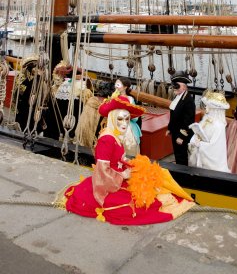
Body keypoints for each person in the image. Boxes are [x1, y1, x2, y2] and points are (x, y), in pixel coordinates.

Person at [59, 95, 194, 225]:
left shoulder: (115, 135)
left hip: (118, 175)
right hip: (109, 183)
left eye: (127, 119)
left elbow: (117, 158)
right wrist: (123, 174)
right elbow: (102, 170)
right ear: (112, 118)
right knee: (141, 205)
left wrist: (130, 165)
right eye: (120, 119)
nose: (124, 124)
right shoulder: (107, 139)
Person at [188, 90, 230, 172]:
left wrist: (200, 144)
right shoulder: (206, 120)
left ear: (214, 109)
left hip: (213, 167)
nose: (205, 107)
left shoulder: (219, 126)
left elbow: (214, 148)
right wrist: (194, 139)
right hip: (202, 162)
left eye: (208, 106)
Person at [166, 71, 196, 165]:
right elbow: (174, 116)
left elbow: (189, 121)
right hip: (175, 132)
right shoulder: (179, 97)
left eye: (177, 86)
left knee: (182, 155)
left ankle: (183, 177)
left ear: (183, 86)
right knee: (177, 154)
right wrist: (169, 129)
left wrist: (181, 136)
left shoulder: (188, 101)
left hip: (182, 134)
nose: (174, 88)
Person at [111, 77, 142, 157]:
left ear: (125, 87)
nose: (116, 86)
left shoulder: (130, 99)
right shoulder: (113, 97)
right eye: (116, 84)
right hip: (114, 125)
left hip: (128, 128)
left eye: (119, 84)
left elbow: (135, 117)